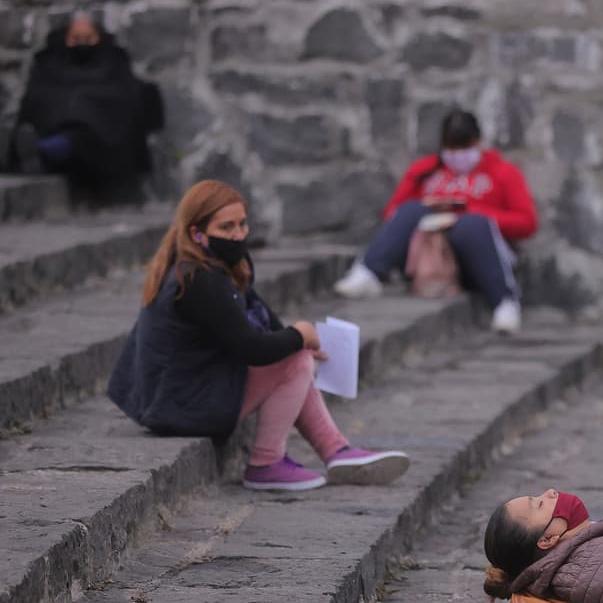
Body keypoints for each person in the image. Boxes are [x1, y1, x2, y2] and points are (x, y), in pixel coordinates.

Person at [108, 180, 410, 493]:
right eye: (226, 227)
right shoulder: (198, 280)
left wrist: (298, 339)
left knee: (295, 353)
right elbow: (252, 348)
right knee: (294, 359)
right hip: (179, 407)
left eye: (242, 224)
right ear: (197, 233)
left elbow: (264, 325)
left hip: (181, 396)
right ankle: (267, 463)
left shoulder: (214, 266)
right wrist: (299, 337)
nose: (238, 234)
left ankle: (336, 451)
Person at [335, 109, 537, 334]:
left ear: (478, 142)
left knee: (473, 225)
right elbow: (393, 212)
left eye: (464, 147)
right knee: (412, 209)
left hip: (475, 257)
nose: (458, 154)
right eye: (451, 148)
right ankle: (368, 272)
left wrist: (468, 212)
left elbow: (527, 223)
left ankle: (504, 302)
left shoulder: (504, 173)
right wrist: (430, 208)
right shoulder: (425, 170)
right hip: (428, 255)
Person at [8, 12, 163, 200]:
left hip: (99, 138)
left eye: (88, 38)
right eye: (76, 38)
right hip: (55, 127)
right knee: (68, 134)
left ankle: (42, 150)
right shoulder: (51, 64)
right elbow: (38, 97)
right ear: (66, 38)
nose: (82, 43)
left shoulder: (112, 62)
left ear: (98, 37)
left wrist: (89, 108)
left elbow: (127, 96)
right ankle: (42, 151)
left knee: (79, 138)